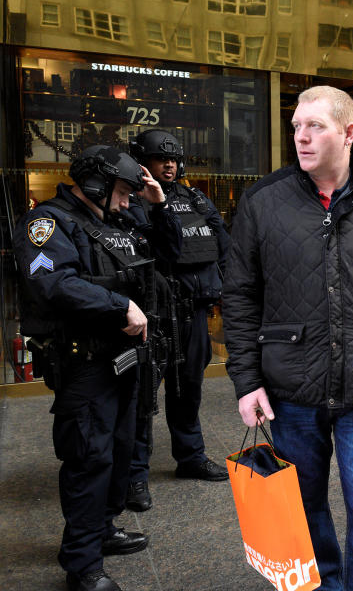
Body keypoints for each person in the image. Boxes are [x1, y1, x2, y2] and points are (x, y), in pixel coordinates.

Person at [222, 85, 353, 591]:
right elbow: (240, 297)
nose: (301, 136)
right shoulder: (262, 201)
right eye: (296, 126)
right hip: (291, 389)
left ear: (349, 133)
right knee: (305, 502)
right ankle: (324, 584)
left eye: (315, 126)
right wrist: (247, 382)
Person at [14, 145, 182, 591]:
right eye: (124, 191)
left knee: (121, 452)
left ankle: (103, 529)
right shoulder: (47, 224)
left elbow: (169, 253)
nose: (129, 201)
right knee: (90, 459)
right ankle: (82, 564)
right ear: (95, 185)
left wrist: (157, 202)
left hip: (123, 361)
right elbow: (53, 284)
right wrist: (120, 303)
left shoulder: (112, 222)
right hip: (84, 364)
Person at [124, 130, 232, 513]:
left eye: (172, 159)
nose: (168, 165)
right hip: (154, 315)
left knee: (189, 389)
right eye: (158, 159)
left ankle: (190, 456)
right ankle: (134, 475)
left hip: (195, 311)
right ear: (142, 161)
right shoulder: (130, 201)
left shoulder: (195, 197)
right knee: (142, 396)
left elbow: (222, 245)